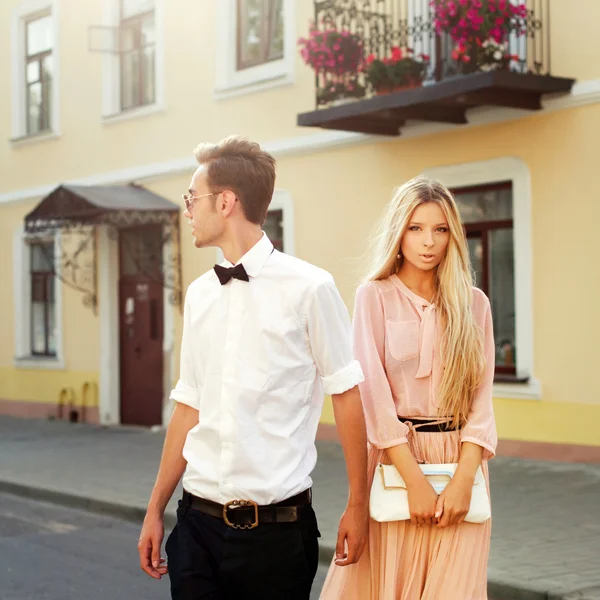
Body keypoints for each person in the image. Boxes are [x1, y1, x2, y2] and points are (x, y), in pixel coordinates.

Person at [137, 135, 369, 600]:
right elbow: (188, 406)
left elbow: (347, 397)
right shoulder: (200, 294)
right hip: (196, 527)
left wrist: (358, 504)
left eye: (192, 198)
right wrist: (154, 509)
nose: (187, 209)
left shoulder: (311, 289)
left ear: (226, 202)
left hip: (277, 537)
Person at [321, 176, 497, 600]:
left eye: (440, 229)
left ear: (452, 236)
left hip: (462, 463)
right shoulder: (373, 297)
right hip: (396, 460)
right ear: (398, 233)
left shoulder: (474, 303)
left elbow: (482, 398)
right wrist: (413, 478)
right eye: (416, 228)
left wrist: (464, 477)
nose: (428, 242)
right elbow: (373, 398)